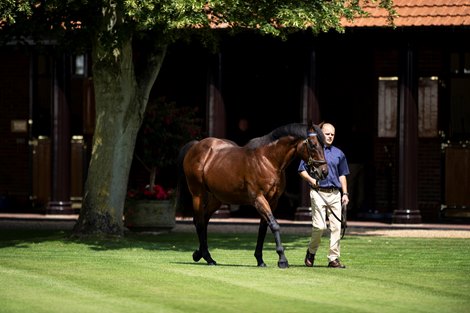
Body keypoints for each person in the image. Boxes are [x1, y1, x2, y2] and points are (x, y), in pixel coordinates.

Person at [298, 122, 350, 268]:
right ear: (321, 134)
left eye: (332, 134)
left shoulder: (339, 153)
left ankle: (333, 259)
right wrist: (311, 180)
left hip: (334, 194)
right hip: (318, 192)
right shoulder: (312, 150)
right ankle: (311, 252)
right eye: (327, 134)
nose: (330, 136)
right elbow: (301, 170)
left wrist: (345, 193)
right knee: (319, 227)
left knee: (336, 228)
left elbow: (342, 175)